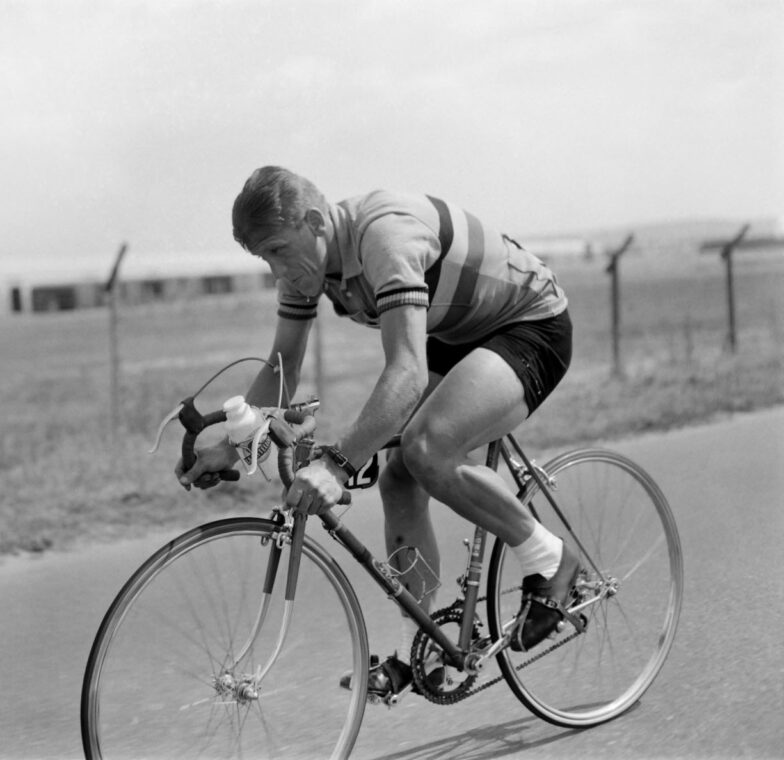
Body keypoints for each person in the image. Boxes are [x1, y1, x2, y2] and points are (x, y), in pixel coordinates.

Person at [176, 166, 579, 700]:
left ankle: (550, 557)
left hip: (529, 324)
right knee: (398, 480)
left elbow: (407, 374)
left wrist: (338, 464)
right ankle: (428, 650)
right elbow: (282, 366)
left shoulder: (383, 236)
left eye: (277, 250)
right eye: (263, 258)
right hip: (459, 333)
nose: (276, 269)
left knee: (427, 448)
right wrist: (234, 440)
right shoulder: (309, 267)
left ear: (316, 222)